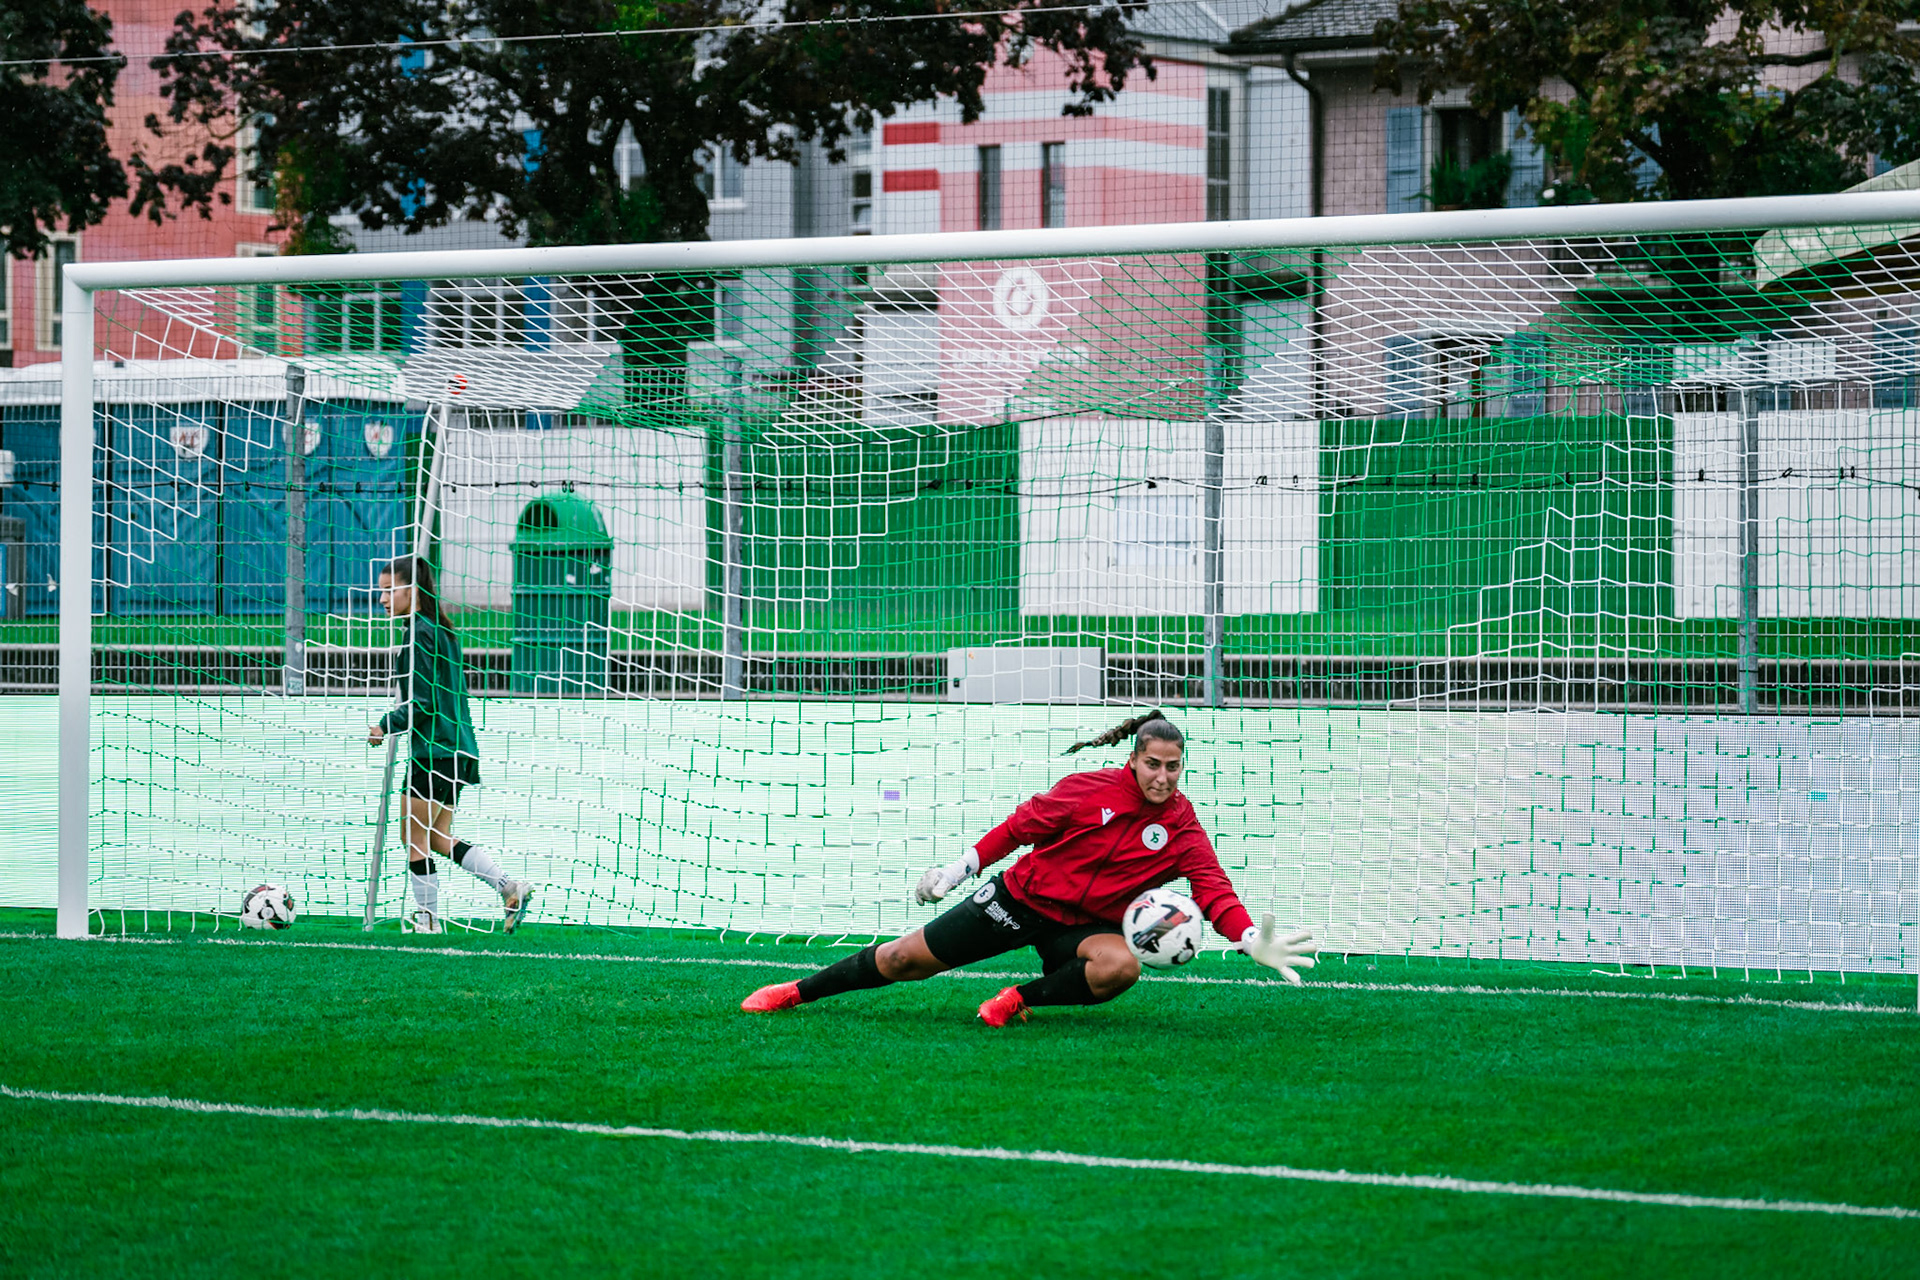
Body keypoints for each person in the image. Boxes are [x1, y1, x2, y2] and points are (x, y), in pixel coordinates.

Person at [741, 709, 1316, 1026]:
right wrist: (958, 869)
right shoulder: (1085, 790)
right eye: (1152, 765)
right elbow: (1021, 829)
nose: (1163, 778)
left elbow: (1213, 890)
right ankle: (797, 991)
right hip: (1020, 901)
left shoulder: (1184, 828)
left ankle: (1019, 998)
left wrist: (1245, 938)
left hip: (1086, 928)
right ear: (1132, 759)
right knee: (902, 960)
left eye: (1173, 767)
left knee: (1121, 967)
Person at [366, 555, 534, 935]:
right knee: (438, 837)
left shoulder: (420, 633)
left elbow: (422, 702)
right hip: (459, 748)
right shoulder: (443, 632)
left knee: (413, 837)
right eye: (382, 591)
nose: (383, 599)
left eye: (390, 590)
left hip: (435, 748)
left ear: (413, 590)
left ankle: (427, 921)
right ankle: (508, 887)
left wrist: (384, 725)